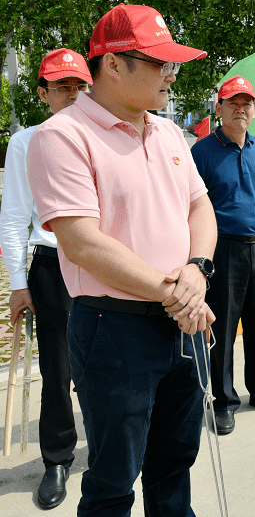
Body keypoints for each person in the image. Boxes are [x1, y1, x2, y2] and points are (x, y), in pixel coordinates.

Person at [27, 3, 218, 517]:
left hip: (182, 323)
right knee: (113, 479)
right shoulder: (62, 137)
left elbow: (200, 206)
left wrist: (198, 269)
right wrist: (174, 291)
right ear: (113, 64)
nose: (171, 75)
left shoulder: (169, 132)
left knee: (174, 464)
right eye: (160, 63)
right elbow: (82, 242)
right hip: (115, 330)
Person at [0, 48, 92, 509]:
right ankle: (57, 458)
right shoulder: (27, 142)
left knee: (105, 359)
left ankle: (107, 442)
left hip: (102, 263)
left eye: (79, 85)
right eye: (62, 87)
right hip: (53, 264)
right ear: (43, 93)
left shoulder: (103, 133)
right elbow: (15, 216)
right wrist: (19, 282)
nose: (73, 95)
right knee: (57, 368)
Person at [191, 76, 255, 437]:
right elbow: (190, 210)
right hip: (223, 251)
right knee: (222, 329)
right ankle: (223, 401)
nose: (241, 108)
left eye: (247, 102)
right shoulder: (201, 152)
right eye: (232, 102)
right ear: (218, 108)